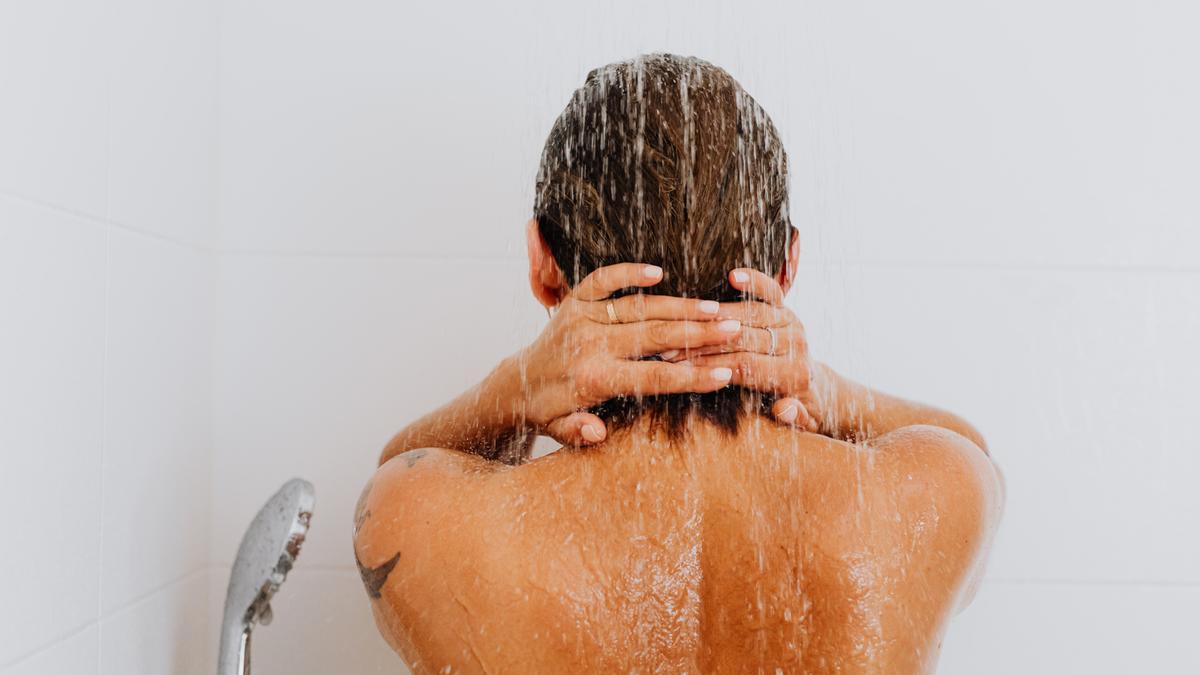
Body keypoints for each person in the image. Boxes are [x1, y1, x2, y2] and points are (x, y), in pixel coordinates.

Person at [353, 54, 1003, 673]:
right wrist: (825, 390)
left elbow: (395, 476)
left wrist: (513, 389)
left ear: (542, 262)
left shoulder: (426, 516)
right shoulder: (930, 495)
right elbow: (974, 457)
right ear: (787, 266)